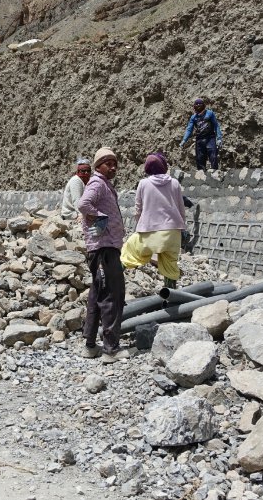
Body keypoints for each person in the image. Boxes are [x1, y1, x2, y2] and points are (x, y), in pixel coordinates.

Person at [77, 147, 130, 364]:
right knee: (112, 295)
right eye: (108, 163)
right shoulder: (98, 183)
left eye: (114, 163)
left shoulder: (104, 185)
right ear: (98, 166)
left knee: (97, 295)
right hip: (104, 248)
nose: (113, 167)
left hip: (105, 247)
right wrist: (103, 218)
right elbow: (82, 204)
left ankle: (90, 345)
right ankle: (111, 350)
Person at [121, 152, 186, 288]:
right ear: (164, 166)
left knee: (129, 252)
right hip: (172, 232)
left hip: (149, 231)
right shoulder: (174, 183)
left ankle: (109, 284)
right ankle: (169, 298)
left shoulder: (143, 183)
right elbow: (181, 208)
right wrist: (182, 227)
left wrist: (140, 225)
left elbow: (138, 209)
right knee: (170, 266)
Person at [180, 98, 223, 171]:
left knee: (213, 156)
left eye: (200, 103)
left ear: (204, 105)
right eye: (196, 104)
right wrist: (184, 140)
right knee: (200, 159)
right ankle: (201, 176)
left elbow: (216, 125)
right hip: (199, 140)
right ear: (194, 106)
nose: (198, 105)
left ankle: (215, 174)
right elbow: (189, 129)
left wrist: (219, 138)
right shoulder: (193, 117)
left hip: (210, 138)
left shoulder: (210, 113)